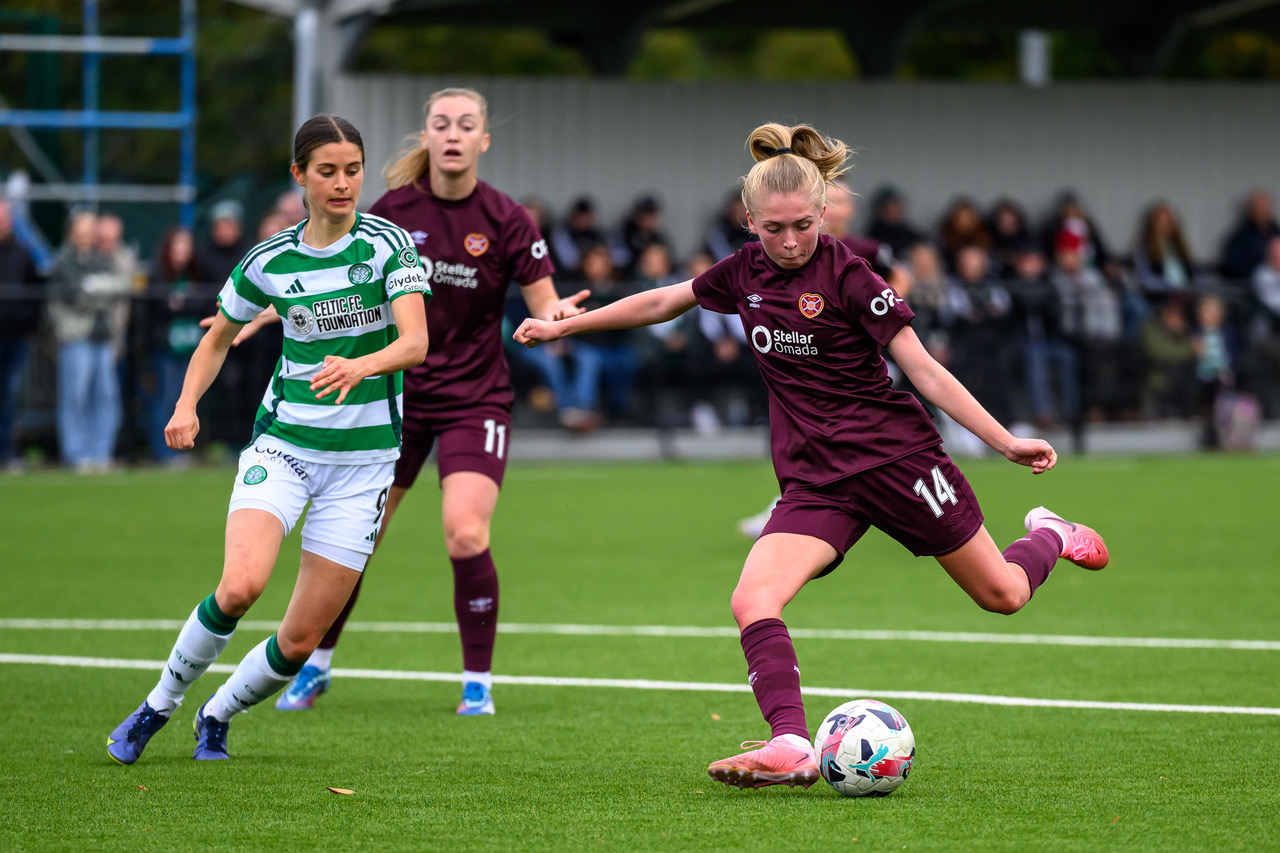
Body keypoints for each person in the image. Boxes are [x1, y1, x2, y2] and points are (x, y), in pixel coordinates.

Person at [514, 122, 1108, 790]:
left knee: (1002, 593)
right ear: (748, 222)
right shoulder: (743, 272)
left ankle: (1051, 533)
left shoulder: (853, 277)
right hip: (817, 480)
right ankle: (791, 741)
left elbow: (925, 371)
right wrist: (567, 323)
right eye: (773, 228)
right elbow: (663, 301)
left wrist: (1004, 440)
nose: (789, 241)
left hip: (897, 462)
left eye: (801, 225)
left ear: (823, 215)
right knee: (753, 596)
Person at [105, 114, 430, 764]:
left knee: (303, 637)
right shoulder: (269, 259)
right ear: (300, 176)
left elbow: (416, 341)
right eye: (328, 171)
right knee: (240, 586)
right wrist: (185, 404)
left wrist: (363, 364)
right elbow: (217, 336)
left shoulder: (389, 243)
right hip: (284, 446)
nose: (343, 184)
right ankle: (156, 706)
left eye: (353, 170)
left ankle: (218, 711)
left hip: (365, 465)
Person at [272, 87, 588, 716]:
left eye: (465, 124)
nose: (452, 134)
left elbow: (543, 302)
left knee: (465, 534)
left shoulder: (507, 219)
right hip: (394, 397)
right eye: (441, 124)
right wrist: (260, 313)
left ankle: (477, 683)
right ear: (427, 135)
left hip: (476, 398)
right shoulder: (390, 213)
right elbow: (319, 268)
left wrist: (561, 318)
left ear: (482, 141)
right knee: (355, 540)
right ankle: (317, 665)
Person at [47, 211, 129, 472]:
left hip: (102, 336)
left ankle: (100, 454)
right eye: (81, 230)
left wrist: (94, 289)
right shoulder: (63, 260)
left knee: (106, 396)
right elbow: (75, 295)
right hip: (76, 337)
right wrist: (98, 290)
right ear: (72, 232)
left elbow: (118, 289)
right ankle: (77, 454)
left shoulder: (101, 259)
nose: (86, 235)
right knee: (75, 396)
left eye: (90, 230)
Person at [0, 199, 43, 469]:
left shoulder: (23, 253)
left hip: (15, 338)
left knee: (12, 396)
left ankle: (8, 451)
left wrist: (28, 325)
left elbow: (36, 293)